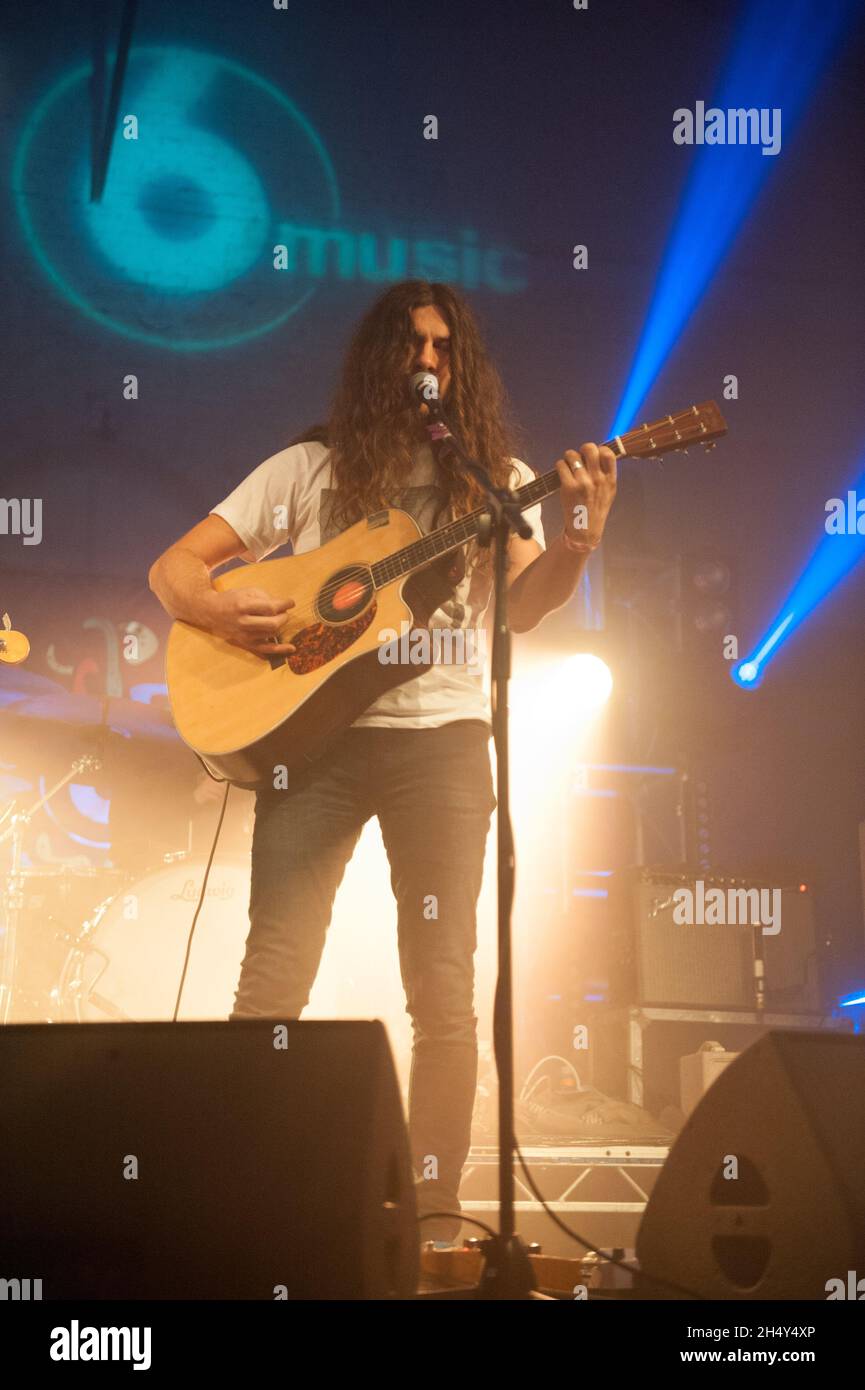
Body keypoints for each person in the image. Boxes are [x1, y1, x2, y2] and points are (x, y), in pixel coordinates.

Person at [148, 279, 617, 1242]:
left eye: (445, 349)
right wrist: (214, 606)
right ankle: (247, 1203)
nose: (429, 363)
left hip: (443, 743)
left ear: (464, 367)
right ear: (380, 360)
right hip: (310, 742)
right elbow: (173, 568)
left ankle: (435, 1219)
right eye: (411, 346)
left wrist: (577, 537)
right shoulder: (307, 469)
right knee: (273, 976)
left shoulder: (493, 480)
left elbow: (524, 612)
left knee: (444, 989)